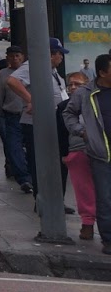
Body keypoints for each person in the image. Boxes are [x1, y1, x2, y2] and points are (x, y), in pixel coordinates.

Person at [8, 38, 69, 199]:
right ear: (50, 54)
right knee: (41, 163)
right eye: (59, 54)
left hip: (55, 122)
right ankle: (41, 199)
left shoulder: (53, 71)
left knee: (57, 162)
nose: (61, 58)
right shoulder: (33, 65)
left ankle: (57, 200)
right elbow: (12, 81)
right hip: (37, 124)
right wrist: (31, 100)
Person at [63, 53, 111, 255]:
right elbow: (68, 113)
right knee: (105, 198)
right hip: (100, 154)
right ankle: (108, 240)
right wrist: (82, 132)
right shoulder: (85, 93)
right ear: (102, 72)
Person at [62, 70, 96, 240]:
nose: (73, 87)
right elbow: (61, 131)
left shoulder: (96, 97)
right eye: (71, 84)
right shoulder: (65, 106)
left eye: (78, 84)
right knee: (84, 190)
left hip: (99, 149)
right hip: (78, 149)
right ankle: (88, 223)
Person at [0, 46, 28, 186]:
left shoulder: (28, 72)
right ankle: (24, 178)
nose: (15, 58)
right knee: (13, 148)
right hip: (11, 116)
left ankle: (30, 172)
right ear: (7, 58)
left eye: (17, 56)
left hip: (28, 115)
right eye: (12, 56)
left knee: (30, 147)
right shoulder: (3, 74)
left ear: (22, 57)